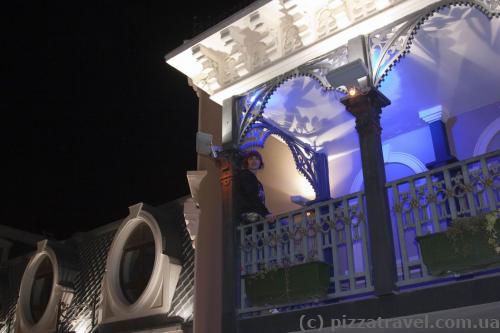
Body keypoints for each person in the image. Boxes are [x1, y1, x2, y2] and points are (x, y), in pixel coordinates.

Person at [234, 150, 273, 224]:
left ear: (260, 162)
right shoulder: (245, 175)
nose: (254, 161)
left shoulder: (258, 183)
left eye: (257, 159)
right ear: (247, 162)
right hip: (248, 214)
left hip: (255, 213)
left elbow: (259, 200)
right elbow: (252, 196)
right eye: (251, 158)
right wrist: (266, 213)